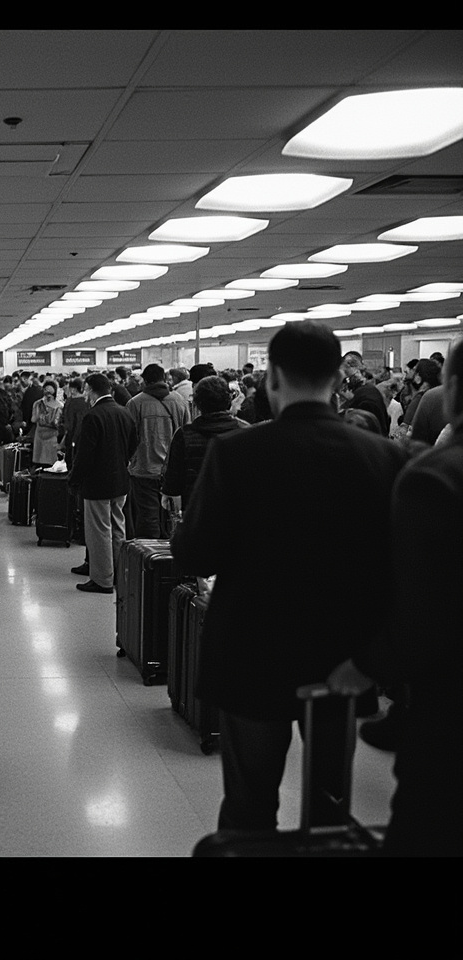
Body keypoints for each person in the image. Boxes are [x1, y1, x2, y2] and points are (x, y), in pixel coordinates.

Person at [170, 321, 408, 833]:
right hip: (342, 662)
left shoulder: (236, 454)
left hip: (253, 654)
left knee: (249, 804)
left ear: (271, 377)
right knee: (328, 808)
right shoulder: (386, 458)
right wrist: (371, 661)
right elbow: (403, 574)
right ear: (337, 378)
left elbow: (195, 553)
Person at [328, 337, 463, 856]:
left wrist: (362, 666)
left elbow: (423, 609)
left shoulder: (436, 478)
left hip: (450, 717)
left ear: (451, 390)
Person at [68, 372, 137, 594]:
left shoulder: (93, 416)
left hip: (98, 484)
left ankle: (101, 580)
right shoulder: (125, 412)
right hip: (120, 481)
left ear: (90, 389)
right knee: (118, 529)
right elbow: (134, 444)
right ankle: (119, 574)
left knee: (99, 533)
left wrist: (74, 480)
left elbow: (84, 455)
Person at [160, 376, 249, 512]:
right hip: (237, 506)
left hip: (196, 507)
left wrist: (170, 494)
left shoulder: (185, 434)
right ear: (229, 400)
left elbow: (174, 476)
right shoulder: (246, 432)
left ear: (197, 403)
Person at [126, 363, 190, 538]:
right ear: (165, 379)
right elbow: (187, 434)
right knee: (172, 517)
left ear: (145, 381)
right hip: (173, 470)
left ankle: (150, 560)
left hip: (144, 469)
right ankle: (169, 557)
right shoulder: (179, 401)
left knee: (148, 517)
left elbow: (130, 438)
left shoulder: (135, 403)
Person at [58, 378, 89, 469]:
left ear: (73, 389)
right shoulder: (80, 402)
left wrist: (73, 439)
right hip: (71, 435)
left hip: (74, 436)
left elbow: (78, 422)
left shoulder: (78, 403)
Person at [30, 381, 62, 467]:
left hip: (52, 437)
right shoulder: (38, 403)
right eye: (46, 390)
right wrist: (38, 410)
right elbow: (33, 419)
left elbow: (58, 423)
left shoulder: (59, 406)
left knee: (51, 463)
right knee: (39, 463)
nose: (48, 394)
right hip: (39, 436)